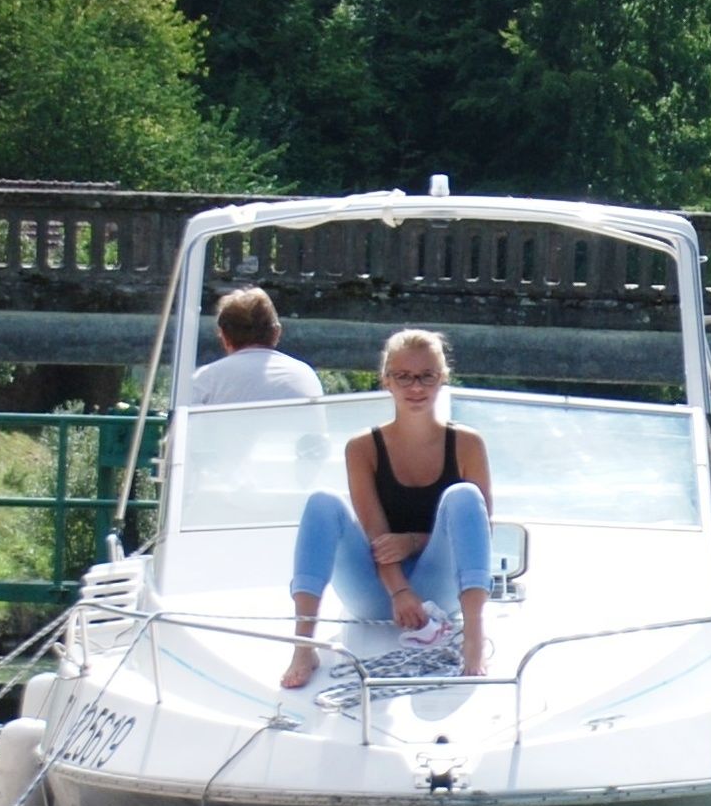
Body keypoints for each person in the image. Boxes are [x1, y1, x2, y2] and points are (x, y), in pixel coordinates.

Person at [282, 327, 494, 688]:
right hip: (375, 589)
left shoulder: (467, 443)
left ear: (442, 378)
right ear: (387, 381)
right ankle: (303, 645)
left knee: (464, 495)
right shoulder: (362, 448)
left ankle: (474, 636)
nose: (416, 387)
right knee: (322, 502)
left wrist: (412, 541)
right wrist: (399, 591)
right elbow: (375, 531)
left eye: (427, 376)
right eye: (404, 376)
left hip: (439, 589)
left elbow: (480, 528)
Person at [184, 286, 322, 406]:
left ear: (224, 336)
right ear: (277, 332)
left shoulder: (205, 380)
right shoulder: (305, 376)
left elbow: (183, 426)